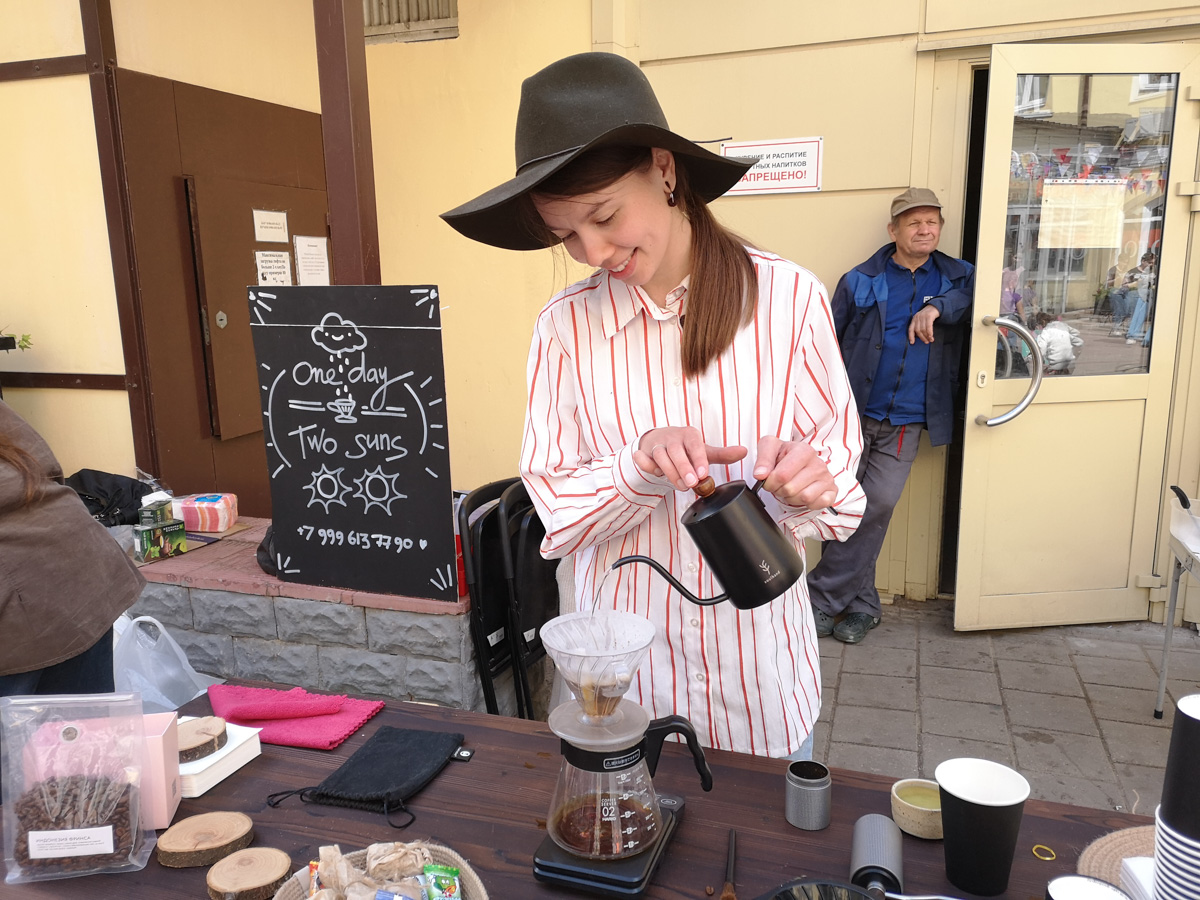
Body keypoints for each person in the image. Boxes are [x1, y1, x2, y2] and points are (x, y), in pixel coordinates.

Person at [441, 52, 866, 759]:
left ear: (664, 170)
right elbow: (553, 507)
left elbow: (838, 487)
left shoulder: (788, 302)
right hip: (617, 687)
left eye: (604, 216)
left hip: (755, 681)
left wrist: (798, 487)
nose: (594, 251)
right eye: (566, 235)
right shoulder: (565, 328)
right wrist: (636, 468)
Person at [806, 188, 975, 644]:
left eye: (933, 222)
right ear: (894, 230)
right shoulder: (860, 279)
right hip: (851, 417)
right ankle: (862, 606)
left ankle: (819, 600)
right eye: (914, 222)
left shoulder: (959, 278)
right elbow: (825, 344)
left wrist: (937, 306)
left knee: (876, 504)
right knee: (840, 505)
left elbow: (982, 298)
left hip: (906, 421)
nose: (925, 230)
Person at [0, 401, 145, 698]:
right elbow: (44, 463)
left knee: (70, 734)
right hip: (73, 558)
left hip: (39, 585)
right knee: (82, 734)